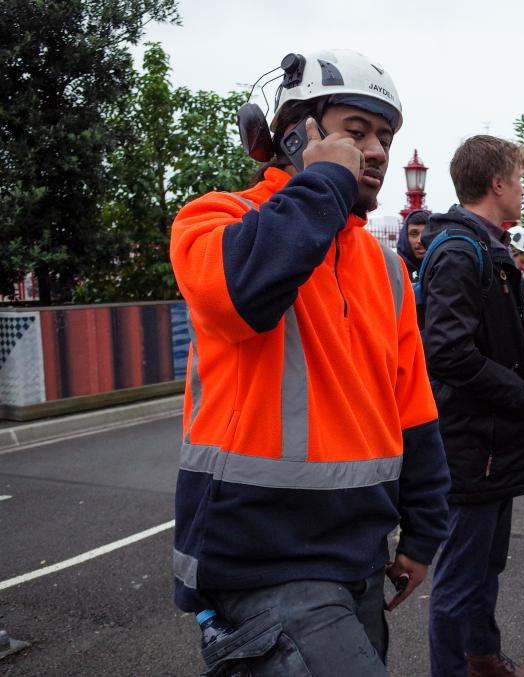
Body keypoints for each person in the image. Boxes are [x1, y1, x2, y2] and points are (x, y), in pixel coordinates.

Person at [169, 49, 450, 675]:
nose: (375, 151)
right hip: (258, 557)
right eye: (356, 131)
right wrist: (323, 182)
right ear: (294, 135)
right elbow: (241, 294)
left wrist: (424, 533)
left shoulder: (386, 269)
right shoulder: (217, 218)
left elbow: (413, 409)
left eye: (385, 138)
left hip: (359, 554)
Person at [419, 135, 524, 677]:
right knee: (459, 577)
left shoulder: (485, 246)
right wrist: (519, 391)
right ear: (497, 184)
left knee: (485, 564)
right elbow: (448, 351)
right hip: (474, 443)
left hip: (493, 441)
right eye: (518, 178)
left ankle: (482, 659)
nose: (521, 188)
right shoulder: (460, 250)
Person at [397, 208, 430, 281]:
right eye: (414, 234)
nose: (420, 241)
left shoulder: (442, 270)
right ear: (405, 237)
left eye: (426, 234)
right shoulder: (392, 271)